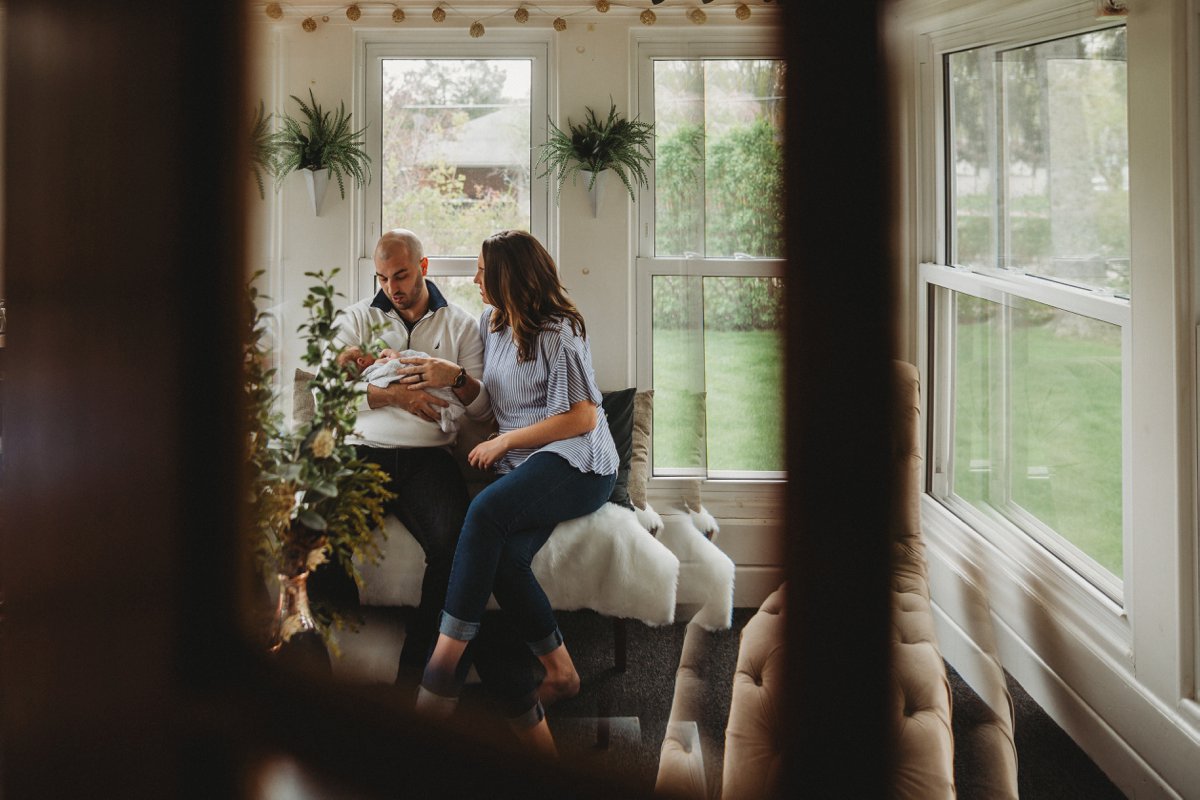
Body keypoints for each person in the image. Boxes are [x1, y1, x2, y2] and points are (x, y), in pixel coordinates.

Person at [328, 228, 545, 735]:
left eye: (400, 275)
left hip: (428, 458)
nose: (392, 287)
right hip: (363, 452)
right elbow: (327, 387)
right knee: (315, 536)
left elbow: (484, 407)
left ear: (423, 269)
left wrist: (455, 377)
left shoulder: (463, 325)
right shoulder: (360, 317)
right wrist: (394, 397)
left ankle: (413, 688)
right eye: (382, 277)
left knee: (453, 547)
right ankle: (325, 676)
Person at [414, 230, 619, 757]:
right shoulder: (493, 322)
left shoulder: (560, 330)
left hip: (579, 462)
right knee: (504, 561)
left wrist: (506, 441)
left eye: (484, 271)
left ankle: (440, 670)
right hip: (527, 463)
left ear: (509, 275)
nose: (476, 279)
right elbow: (488, 405)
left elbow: (582, 416)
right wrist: (455, 377)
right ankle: (562, 672)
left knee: (483, 510)